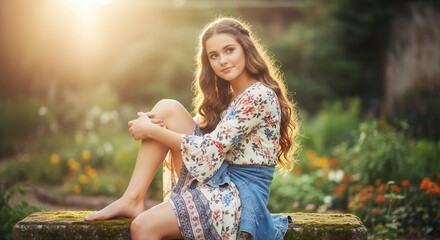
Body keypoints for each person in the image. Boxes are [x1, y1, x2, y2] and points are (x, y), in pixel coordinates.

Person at [84, 16, 298, 240]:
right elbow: (197, 141)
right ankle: (133, 197)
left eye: (229, 50)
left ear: (245, 50)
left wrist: (150, 130)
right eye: (214, 56)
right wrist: (155, 126)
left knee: (143, 227)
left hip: (240, 198)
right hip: (220, 181)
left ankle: (133, 199)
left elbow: (208, 150)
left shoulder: (258, 96)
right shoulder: (231, 99)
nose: (222, 60)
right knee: (167, 109)